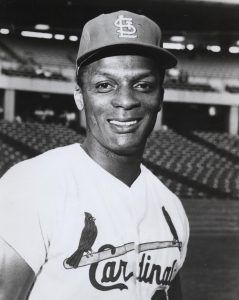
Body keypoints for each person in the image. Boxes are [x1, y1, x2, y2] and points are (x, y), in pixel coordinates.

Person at [0, 10, 189, 300]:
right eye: (104, 85)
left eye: (143, 85)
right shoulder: (32, 185)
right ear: (79, 96)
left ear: (160, 97)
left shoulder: (171, 208)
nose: (125, 100)